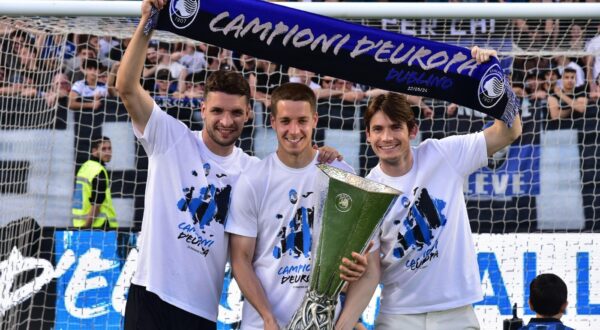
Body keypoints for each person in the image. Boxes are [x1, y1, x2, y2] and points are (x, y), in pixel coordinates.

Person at [116, 1, 342, 328]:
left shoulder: (253, 170)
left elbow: (296, 180)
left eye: (236, 113)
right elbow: (125, 86)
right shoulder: (170, 137)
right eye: (218, 112)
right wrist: (148, 22)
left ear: (249, 114)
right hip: (151, 294)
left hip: (203, 309)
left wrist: (324, 154)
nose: (226, 120)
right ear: (203, 108)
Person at [336, 47, 522, 330]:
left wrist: (493, 76)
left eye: (395, 127)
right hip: (398, 317)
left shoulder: (444, 154)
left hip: (456, 314)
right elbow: (371, 272)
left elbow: (509, 131)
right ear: (368, 135)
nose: (386, 137)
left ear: (412, 130)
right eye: (378, 129)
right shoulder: (368, 192)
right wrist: (343, 325)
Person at [226, 82, 368, 330]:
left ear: (315, 119)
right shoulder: (253, 180)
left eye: (302, 120)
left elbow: (360, 253)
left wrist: (357, 266)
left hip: (322, 324)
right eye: (285, 121)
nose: (294, 130)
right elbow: (240, 259)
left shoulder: (341, 174)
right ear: (272, 122)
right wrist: (267, 318)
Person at [72, 136, 118, 229]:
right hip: (98, 227)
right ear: (94, 151)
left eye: (109, 148)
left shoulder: (85, 167)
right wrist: (87, 227)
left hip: (78, 224)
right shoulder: (99, 171)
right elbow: (97, 203)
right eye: (103, 149)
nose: (108, 152)